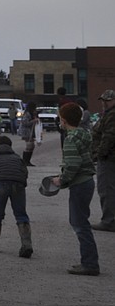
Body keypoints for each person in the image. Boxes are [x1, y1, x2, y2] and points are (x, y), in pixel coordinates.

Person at [51, 102, 100, 275]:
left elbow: (72, 164)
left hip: (79, 184)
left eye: (60, 118)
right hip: (87, 182)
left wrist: (60, 180)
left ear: (63, 120)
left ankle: (90, 264)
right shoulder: (84, 134)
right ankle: (89, 261)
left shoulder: (70, 139)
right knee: (81, 222)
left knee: (79, 224)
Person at [0, 134, 31, 257]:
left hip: (0, 184)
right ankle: (26, 244)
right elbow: (25, 172)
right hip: (18, 184)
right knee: (21, 214)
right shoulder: (17, 158)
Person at [91, 89, 115, 232]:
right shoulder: (108, 114)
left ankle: (109, 221)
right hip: (109, 157)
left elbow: (109, 137)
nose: (104, 103)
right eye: (103, 100)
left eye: (108, 100)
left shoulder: (112, 115)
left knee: (106, 189)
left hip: (108, 158)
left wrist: (98, 154)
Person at [17, 101, 39, 167]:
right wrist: (33, 121)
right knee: (29, 145)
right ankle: (25, 161)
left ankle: (27, 160)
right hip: (26, 131)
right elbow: (25, 123)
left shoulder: (32, 114)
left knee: (31, 146)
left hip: (31, 131)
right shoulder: (27, 114)